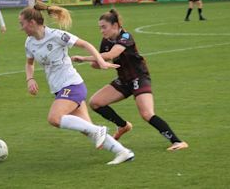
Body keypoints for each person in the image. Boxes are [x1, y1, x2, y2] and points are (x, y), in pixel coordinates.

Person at [20, 2, 135, 165]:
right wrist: (30, 79)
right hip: (59, 89)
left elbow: (85, 44)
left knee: (54, 118)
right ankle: (123, 152)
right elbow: (29, 63)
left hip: (72, 84)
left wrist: (101, 61)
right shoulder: (29, 42)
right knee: (86, 128)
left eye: (22, 23)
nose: (21, 27)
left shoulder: (56, 35)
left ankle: (99, 130)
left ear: (31, 22)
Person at [71, 9, 188, 151]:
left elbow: (110, 55)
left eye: (104, 27)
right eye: (100, 28)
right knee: (95, 102)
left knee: (146, 114)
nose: (101, 31)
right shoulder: (106, 40)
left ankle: (177, 142)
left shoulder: (125, 36)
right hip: (124, 80)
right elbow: (101, 60)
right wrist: (98, 63)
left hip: (139, 77)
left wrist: (84, 58)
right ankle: (123, 125)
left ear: (115, 25)